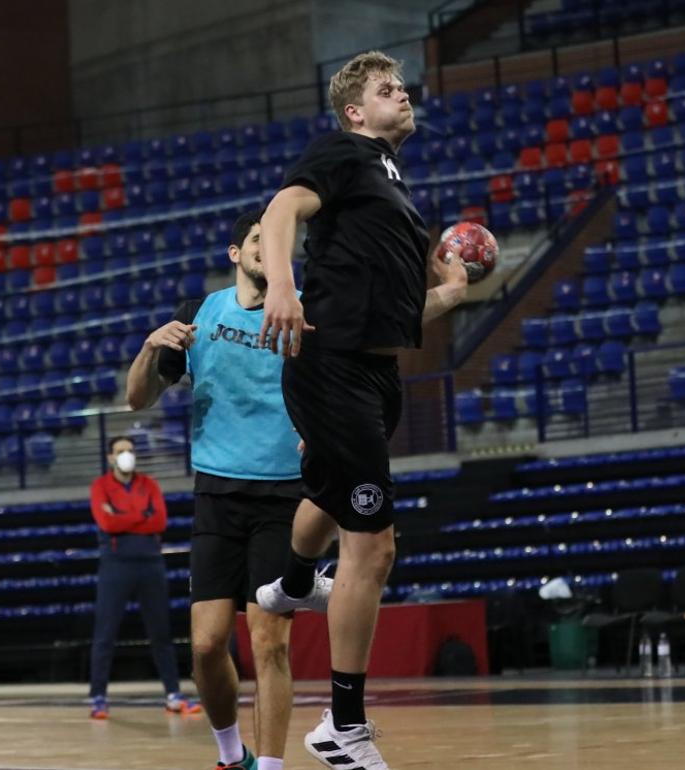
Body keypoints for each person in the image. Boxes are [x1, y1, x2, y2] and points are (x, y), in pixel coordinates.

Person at [256, 50, 469, 770]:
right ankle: (342, 725)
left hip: (376, 372)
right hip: (331, 362)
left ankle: (289, 584)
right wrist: (282, 286)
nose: (401, 94)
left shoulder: (398, 194)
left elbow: (406, 311)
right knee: (373, 544)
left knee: (338, 496)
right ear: (355, 111)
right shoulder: (345, 152)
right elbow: (283, 206)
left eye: (402, 86)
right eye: (385, 90)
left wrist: (452, 295)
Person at [126, 209, 323, 770]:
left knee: (269, 644)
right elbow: (137, 399)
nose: (269, 247)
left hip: (283, 498)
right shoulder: (198, 316)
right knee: (208, 646)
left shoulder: (305, 313)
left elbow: (342, 384)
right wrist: (148, 347)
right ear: (236, 253)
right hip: (216, 496)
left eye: (277, 240)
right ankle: (231, 755)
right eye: (258, 240)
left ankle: (272, 766)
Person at [87, 435, 200, 720]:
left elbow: (160, 520)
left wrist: (122, 515)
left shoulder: (149, 484)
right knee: (105, 633)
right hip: (116, 565)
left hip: (151, 563)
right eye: (121, 451)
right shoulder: (100, 486)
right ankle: (98, 697)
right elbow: (106, 522)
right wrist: (140, 517)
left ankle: (173, 694)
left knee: (161, 633)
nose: (127, 455)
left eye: (130, 450)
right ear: (110, 457)